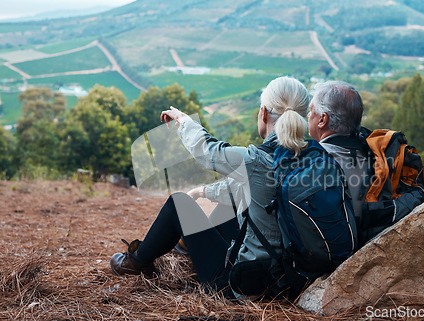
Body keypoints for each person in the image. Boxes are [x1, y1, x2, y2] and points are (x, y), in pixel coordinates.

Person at [110, 76, 310, 298]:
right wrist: (203, 192)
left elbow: (208, 152)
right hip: (287, 279)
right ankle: (189, 246)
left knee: (179, 203)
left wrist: (184, 121)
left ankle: (136, 262)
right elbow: (245, 187)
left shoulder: (257, 160)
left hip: (241, 286)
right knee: (234, 202)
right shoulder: (311, 160)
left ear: (263, 113)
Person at [307, 81, 369, 223]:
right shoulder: (374, 153)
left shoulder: (312, 162)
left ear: (322, 119)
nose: (308, 115)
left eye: (311, 110)